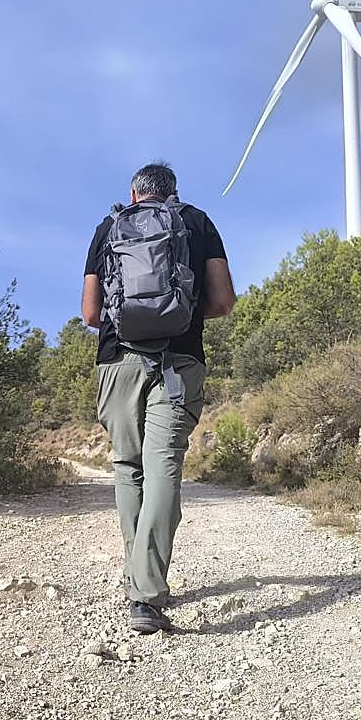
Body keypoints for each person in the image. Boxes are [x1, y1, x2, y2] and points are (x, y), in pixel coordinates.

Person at [81, 162, 236, 634]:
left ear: (133, 195)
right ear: (173, 193)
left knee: (129, 468)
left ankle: (139, 579)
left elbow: (90, 313)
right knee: (164, 465)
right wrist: (180, 315)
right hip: (180, 361)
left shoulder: (108, 227)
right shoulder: (197, 222)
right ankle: (145, 592)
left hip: (117, 363)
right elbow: (224, 301)